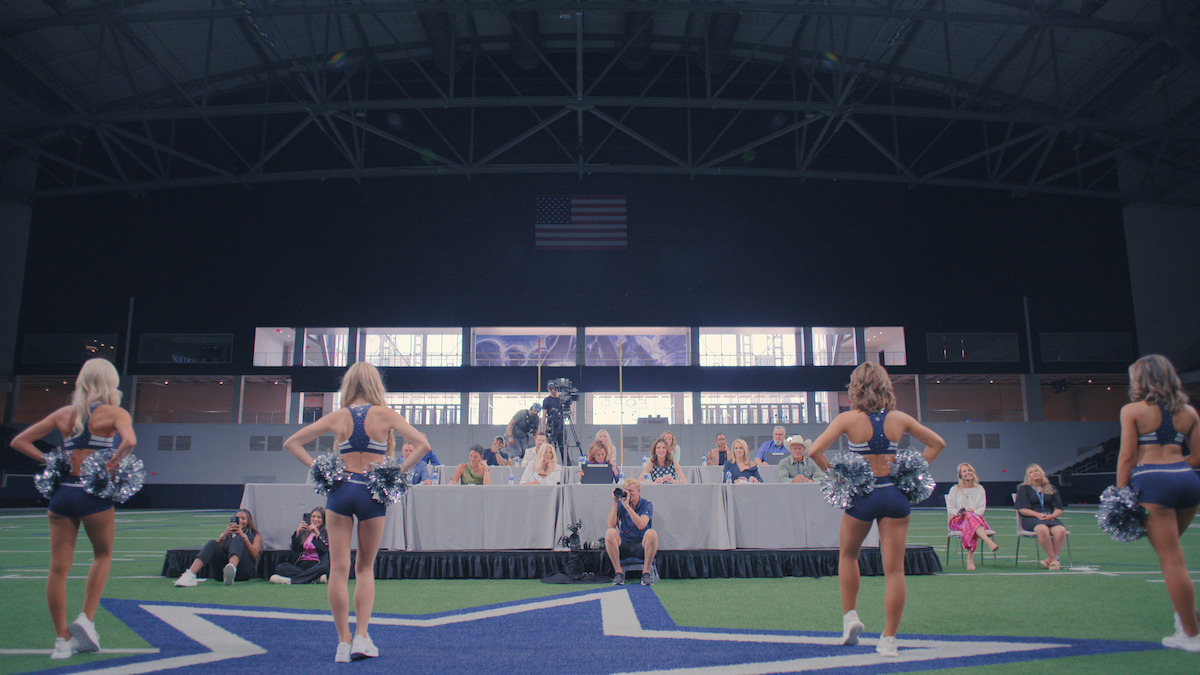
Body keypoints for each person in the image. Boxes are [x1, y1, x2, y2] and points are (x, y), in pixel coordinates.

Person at [283, 361, 431, 663]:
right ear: (376, 385)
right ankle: (361, 636)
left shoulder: (339, 416)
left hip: (341, 490)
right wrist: (396, 472)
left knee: (338, 569)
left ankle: (343, 642)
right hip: (370, 492)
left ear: (349, 385)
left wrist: (320, 470)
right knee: (364, 568)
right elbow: (423, 445)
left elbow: (292, 443)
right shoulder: (385, 415)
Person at [808, 362, 946, 658]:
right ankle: (889, 639)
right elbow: (937, 443)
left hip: (864, 495)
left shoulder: (848, 419)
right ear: (886, 386)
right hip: (894, 494)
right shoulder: (899, 418)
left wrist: (838, 477)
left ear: (855, 387)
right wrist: (913, 471)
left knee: (848, 555)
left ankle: (851, 618)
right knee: (894, 570)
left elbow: (814, 451)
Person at [9, 358, 137, 660]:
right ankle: (86, 619)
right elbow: (130, 441)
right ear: (110, 383)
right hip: (92, 495)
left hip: (62, 493)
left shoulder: (64, 414)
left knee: (57, 568)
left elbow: (19, 441)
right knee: (102, 555)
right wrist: (112, 463)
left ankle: (61, 640)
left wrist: (50, 460)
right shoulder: (115, 413)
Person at [1118, 354, 1200, 652]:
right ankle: (1187, 620)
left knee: (1171, 561)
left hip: (1153, 482)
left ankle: (1191, 634)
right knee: (1173, 554)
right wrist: (1174, 469)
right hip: (1188, 481)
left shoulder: (1132, 410)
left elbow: (1127, 456)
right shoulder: (1188, 412)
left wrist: (1120, 494)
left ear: (1141, 380)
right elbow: (1198, 456)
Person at [173, 508, 263, 587]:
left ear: (248, 521)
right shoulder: (229, 534)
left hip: (243, 572)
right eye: (237, 518)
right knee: (212, 543)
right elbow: (215, 549)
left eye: (243, 519)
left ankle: (231, 569)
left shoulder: (255, 535)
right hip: (221, 574)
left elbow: (254, 554)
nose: (240, 521)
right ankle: (190, 575)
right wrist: (223, 535)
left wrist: (243, 536)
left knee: (238, 539)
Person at [604, 478, 659, 586]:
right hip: (625, 543)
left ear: (639, 491)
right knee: (610, 533)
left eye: (631, 491)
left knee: (651, 533)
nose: (629, 494)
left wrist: (628, 507)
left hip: (641, 544)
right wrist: (615, 502)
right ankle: (618, 573)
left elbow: (641, 525)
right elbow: (611, 525)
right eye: (627, 491)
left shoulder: (646, 504)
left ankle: (646, 573)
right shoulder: (621, 504)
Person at [945, 462, 999, 571]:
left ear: (973, 473)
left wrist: (973, 512)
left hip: (976, 519)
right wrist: (961, 512)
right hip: (958, 520)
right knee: (969, 517)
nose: (967, 473)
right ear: (960, 475)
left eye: (969, 470)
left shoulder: (980, 489)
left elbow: (981, 508)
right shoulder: (954, 489)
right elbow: (950, 508)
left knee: (971, 519)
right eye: (964, 471)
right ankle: (987, 541)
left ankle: (970, 558)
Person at [1015, 463, 1068, 570]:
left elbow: (1059, 508)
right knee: (1042, 529)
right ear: (1028, 476)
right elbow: (1022, 509)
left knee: (1061, 530)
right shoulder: (1024, 488)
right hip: (1031, 518)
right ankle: (1054, 560)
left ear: (1041, 473)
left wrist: (1052, 516)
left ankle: (1049, 559)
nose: (1034, 473)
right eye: (1031, 472)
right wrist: (1037, 515)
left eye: (1036, 471)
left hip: (1049, 517)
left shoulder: (1050, 488)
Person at [270, 507, 330, 585]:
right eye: (313, 516)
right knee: (280, 567)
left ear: (323, 520)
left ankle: (291, 581)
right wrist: (297, 533)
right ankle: (313, 578)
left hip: (317, 564)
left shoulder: (326, 533)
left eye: (319, 517)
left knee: (324, 567)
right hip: (302, 565)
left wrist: (317, 534)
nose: (315, 519)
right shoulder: (305, 533)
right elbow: (295, 550)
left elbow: (324, 549)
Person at [542, 385, 565, 461]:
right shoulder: (546, 400)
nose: (553, 390)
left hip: (561, 426)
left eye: (554, 389)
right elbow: (544, 416)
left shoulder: (562, 399)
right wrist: (543, 432)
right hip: (551, 427)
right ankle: (550, 463)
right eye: (550, 389)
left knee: (563, 448)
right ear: (548, 389)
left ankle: (567, 464)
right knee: (551, 449)